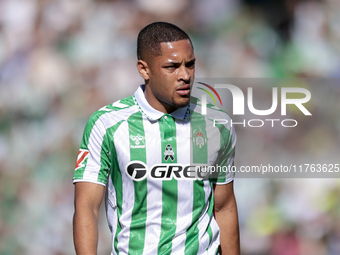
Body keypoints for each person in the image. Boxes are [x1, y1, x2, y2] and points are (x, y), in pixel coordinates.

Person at [73, 21, 240, 255]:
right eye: (172, 67)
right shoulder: (108, 124)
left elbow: (224, 206)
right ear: (144, 69)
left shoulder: (217, 124)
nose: (185, 75)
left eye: (190, 65)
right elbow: (87, 207)